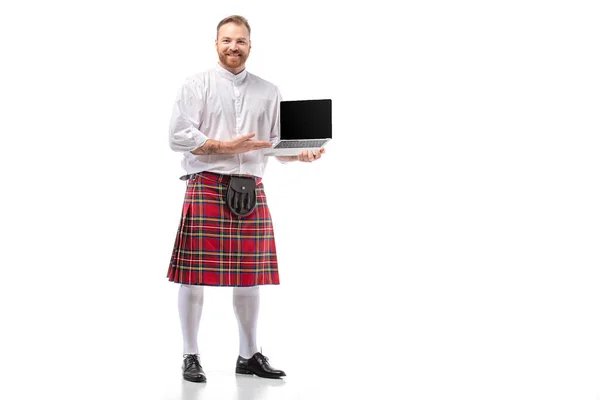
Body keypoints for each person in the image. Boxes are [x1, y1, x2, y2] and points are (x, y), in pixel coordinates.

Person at [167, 15, 325, 383]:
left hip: (251, 188)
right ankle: (190, 355)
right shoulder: (196, 85)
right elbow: (177, 136)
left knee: (249, 277)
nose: (233, 47)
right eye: (226, 40)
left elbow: (274, 145)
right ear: (216, 43)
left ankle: (248, 354)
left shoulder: (269, 91)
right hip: (206, 182)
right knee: (193, 277)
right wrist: (223, 145)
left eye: (240, 41)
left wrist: (301, 154)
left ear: (250, 46)